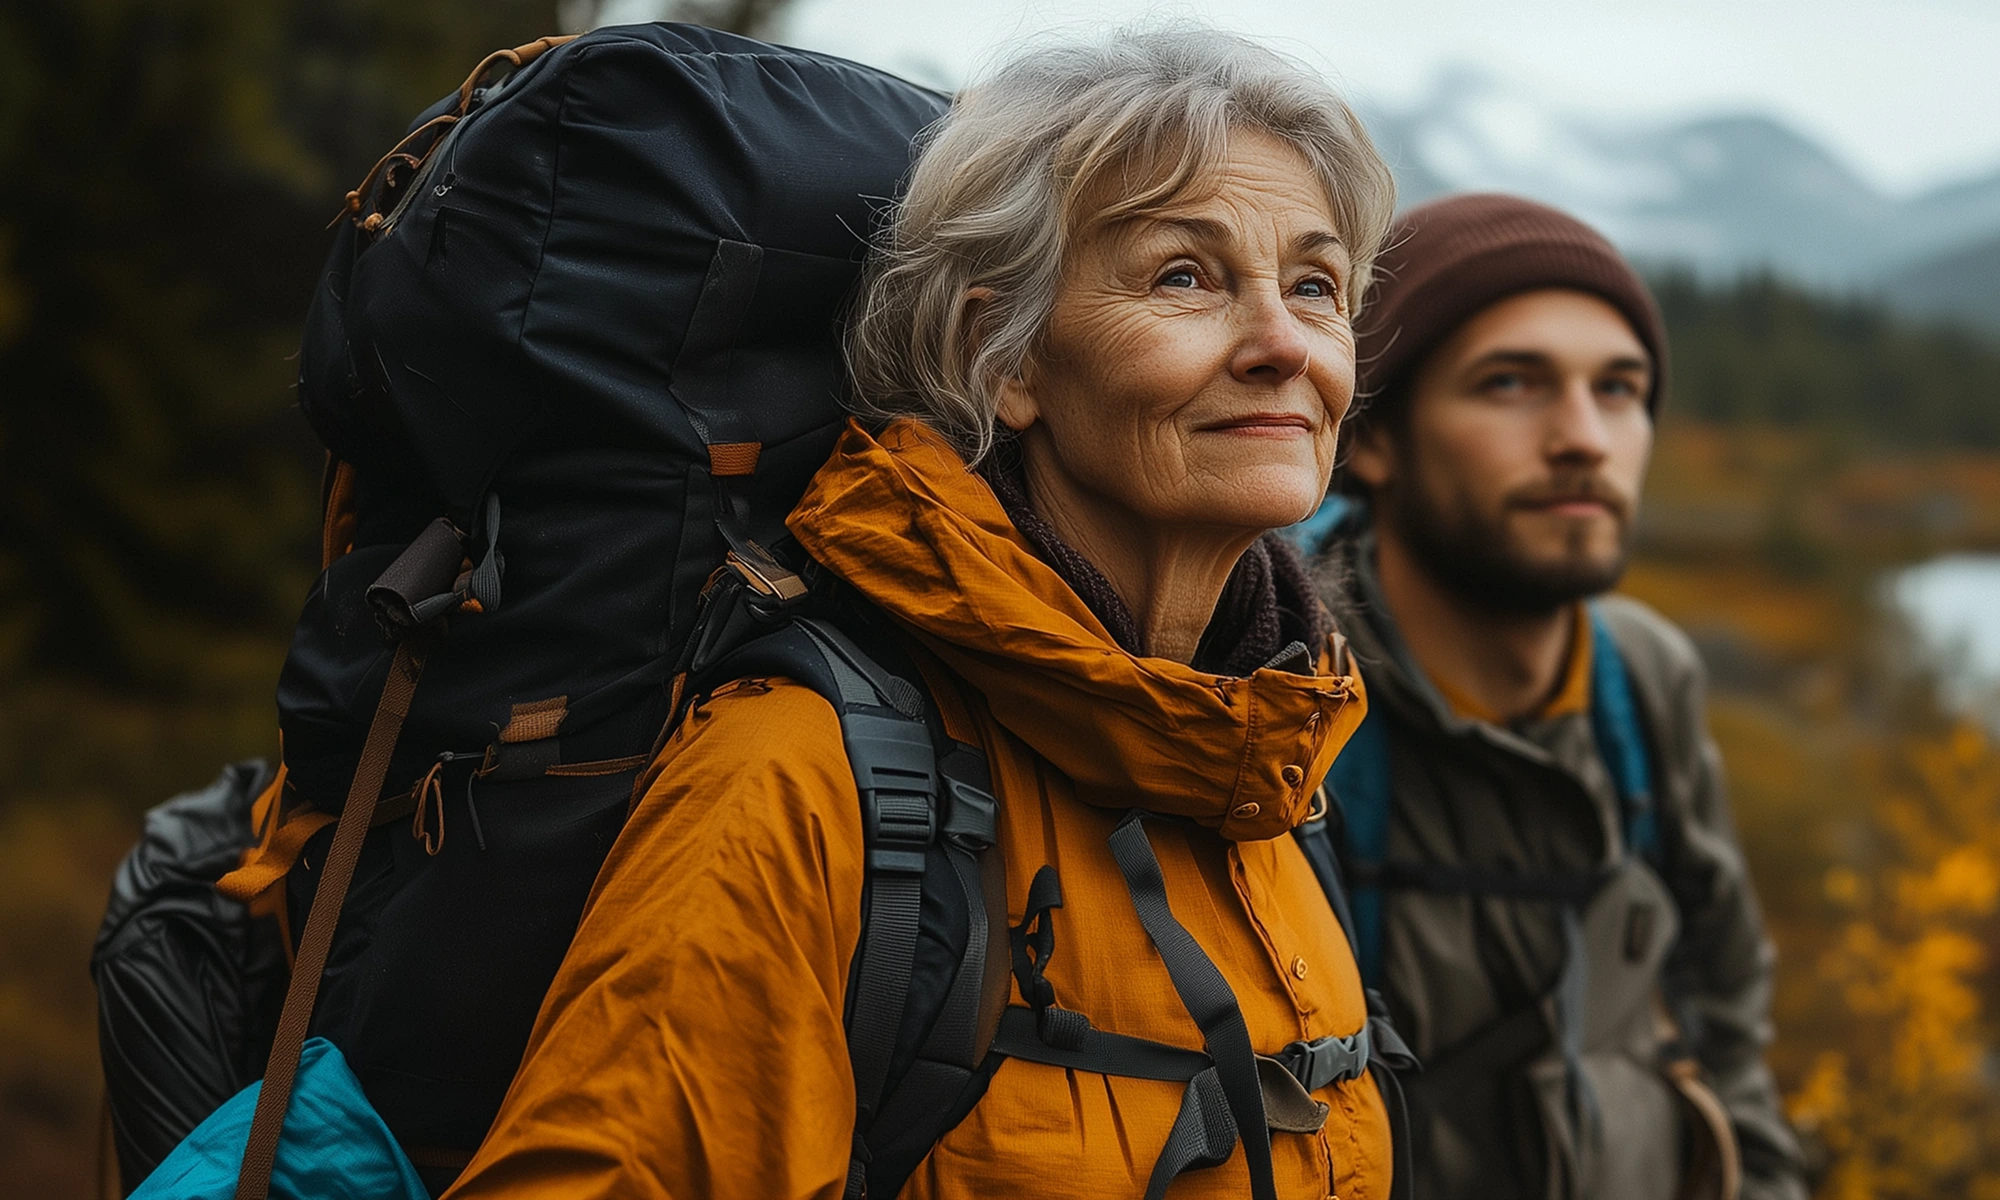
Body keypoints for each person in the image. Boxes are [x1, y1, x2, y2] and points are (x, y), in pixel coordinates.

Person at [444, 29, 1401, 1200]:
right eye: (1183, 276)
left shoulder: (1266, 763)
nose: (1281, 344)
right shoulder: (807, 774)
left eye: (1315, 285)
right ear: (998, 359)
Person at [1306, 193, 1809, 1200]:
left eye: (1619, 389)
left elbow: (1724, 1017)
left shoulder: (1643, 679)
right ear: (1369, 441)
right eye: (1508, 384)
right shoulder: (1281, 704)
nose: (1582, 437)